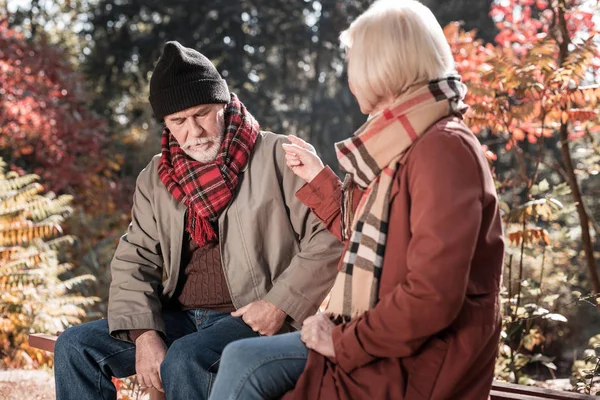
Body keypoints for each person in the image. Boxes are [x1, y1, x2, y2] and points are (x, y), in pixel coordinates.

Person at [209, 1, 504, 399]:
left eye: (353, 60)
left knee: (243, 364)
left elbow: (434, 295)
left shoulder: (441, 150)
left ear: (382, 64)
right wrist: (320, 180)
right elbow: (367, 236)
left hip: (417, 361)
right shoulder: (405, 142)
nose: (349, 74)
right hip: (383, 339)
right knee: (238, 359)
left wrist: (341, 341)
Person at [53, 41, 343, 400]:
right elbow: (135, 258)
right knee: (74, 346)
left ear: (223, 104)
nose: (194, 130)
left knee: (185, 359)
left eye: (202, 113)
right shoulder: (156, 177)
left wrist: (279, 304)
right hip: (180, 315)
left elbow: (328, 236)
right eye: (178, 121)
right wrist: (144, 334)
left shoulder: (278, 157)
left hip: (250, 318)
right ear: (166, 124)